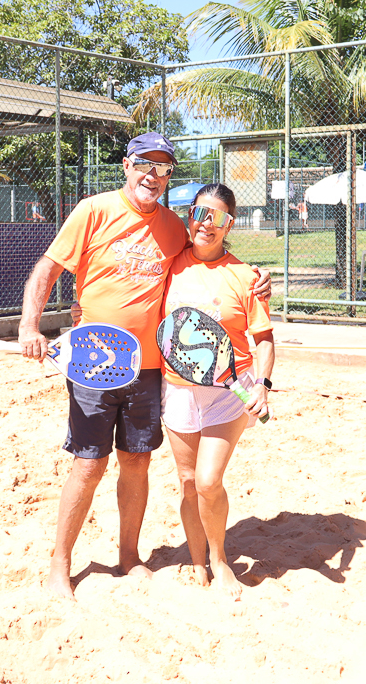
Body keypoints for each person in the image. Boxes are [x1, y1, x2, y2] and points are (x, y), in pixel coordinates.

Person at [16, 132, 270, 600]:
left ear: (169, 176)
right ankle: (60, 564)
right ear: (127, 166)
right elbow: (48, 268)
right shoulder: (93, 210)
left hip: (150, 369)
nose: (153, 175)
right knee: (88, 465)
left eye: (163, 168)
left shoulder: (175, 227)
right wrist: (30, 325)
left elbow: (207, 259)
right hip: (94, 363)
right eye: (144, 164)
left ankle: (129, 556)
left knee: (136, 462)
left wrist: (257, 278)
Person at [160, 184, 274, 600]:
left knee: (209, 481)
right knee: (189, 482)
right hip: (177, 390)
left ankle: (220, 559)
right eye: (200, 213)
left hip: (229, 391)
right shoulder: (169, 264)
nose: (207, 223)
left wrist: (263, 385)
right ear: (189, 216)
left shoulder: (246, 277)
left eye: (218, 217)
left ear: (230, 225)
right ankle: (197, 559)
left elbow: (264, 339)